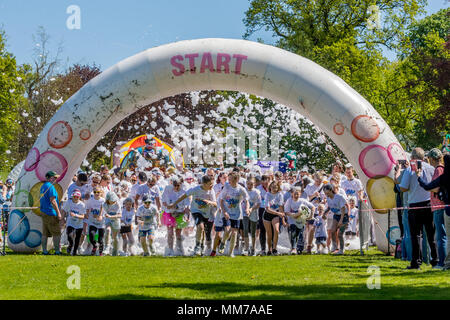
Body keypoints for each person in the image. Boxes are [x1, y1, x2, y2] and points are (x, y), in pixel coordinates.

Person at [399, 147, 438, 269]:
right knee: (431, 235)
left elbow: (403, 187)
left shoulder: (410, 170)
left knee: (416, 236)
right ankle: (435, 260)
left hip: (415, 205)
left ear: (413, 158)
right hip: (428, 204)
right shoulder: (431, 168)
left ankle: (416, 262)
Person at [416, 152, 450, 270]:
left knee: (441, 236)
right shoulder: (440, 169)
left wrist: (420, 178)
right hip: (440, 207)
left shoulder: (439, 170)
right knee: (441, 236)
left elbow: (435, 187)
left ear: (431, 158)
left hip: (439, 207)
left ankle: (442, 262)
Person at [169, 175, 217, 256]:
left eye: (212, 184)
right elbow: (184, 196)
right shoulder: (196, 189)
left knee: (205, 232)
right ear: (204, 184)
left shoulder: (211, 191)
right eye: (210, 184)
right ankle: (197, 246)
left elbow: (215, 203)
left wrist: (209, 202)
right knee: (200, 227)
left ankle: (202, 246)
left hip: (207, 213)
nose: (212, 186)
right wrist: (174, 203)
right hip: (196, 211)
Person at [219, 172, 250, 257]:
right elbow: (221, 200)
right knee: (228, 230)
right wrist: (224, 211)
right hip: (227, 212)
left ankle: (230, 252)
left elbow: (247, 200)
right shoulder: (227, 187)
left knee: (234, 233)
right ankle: (223, 242)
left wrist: (247, 209)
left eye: (230, 179)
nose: (228, 181)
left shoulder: (241, 189)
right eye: (228, 179)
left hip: (237, 213)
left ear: (236, 179)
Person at [161, 176, 190, 256]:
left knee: (178, 233)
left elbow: (187, 204)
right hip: (169, 213)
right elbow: (163, 201)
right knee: (170, 232)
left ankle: (179, 249)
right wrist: (168, 205)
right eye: (175, 185)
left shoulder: (184, 192)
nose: (177, 187)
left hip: (180, 213)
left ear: (181, 184)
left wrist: (187, 215)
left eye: (178, 185)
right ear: (172, 184)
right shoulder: (168, 189)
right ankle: (170, 250)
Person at [284, 186, 315, 254]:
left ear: (300, 194)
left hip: (301, 221)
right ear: (292, 194)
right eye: (295, 194)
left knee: (300, 234)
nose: (296, 195)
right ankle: (294, 248)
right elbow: (286, 212)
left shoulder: (302, 201)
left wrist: (311, 215)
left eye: (298, 194)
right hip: (292, 220)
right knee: (293, 233)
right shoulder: (289, 201)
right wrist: (294, 215)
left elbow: (312, 207)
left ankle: (300, 249)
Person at [39, 171, 63, 255]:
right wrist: (58, 213)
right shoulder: (51, 187)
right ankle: (57, 251)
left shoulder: (43, 186)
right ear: (50, 178)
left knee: (45, 233)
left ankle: (44, 251)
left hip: (44, 212)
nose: (56, 179)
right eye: (54, 177)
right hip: (50, 212)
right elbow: (53, 201)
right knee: (57, 232)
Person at [323, 184, 349, 255]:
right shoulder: (328, 198)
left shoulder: (339, 197)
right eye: (325, 193)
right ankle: (335, 247)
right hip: (336, 215)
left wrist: (341, 220)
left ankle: (341, 249)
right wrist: (324, 213)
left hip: (343, 216)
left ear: (331, 190)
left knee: (340, 234)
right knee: (332, 231)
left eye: (328, 193)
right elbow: (329, 207)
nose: (327, 195)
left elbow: (343, 209)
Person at [263, 181, 285, 255]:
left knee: (276, 230)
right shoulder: (267, 195)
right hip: (267, 214)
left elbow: (281, 207)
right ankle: (269, 249)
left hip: (275, 214)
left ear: (278, 188)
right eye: (272, 187)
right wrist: (278, 213)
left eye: (275, 187)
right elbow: (267, 209)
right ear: (270, 187)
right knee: (269, 233)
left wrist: (283, 220)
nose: (274, 189)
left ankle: (275, 248)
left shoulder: (280, 195)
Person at [62, 189, 85, 255]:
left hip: (79, 224)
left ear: (79, 197)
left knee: (77, 238)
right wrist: (62, 218)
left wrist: (75, 215)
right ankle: (70, 245)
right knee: (70, 236)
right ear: (72, 196)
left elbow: (83, 216)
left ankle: (74, 251)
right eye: (74, 196)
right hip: (70, 223)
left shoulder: (82, 205)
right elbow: (64, 210)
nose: (75, 198)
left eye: (77, 197)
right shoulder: (69, 202)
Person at [243, 176, 261, 256]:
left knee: (253, 231)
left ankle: (253, 248)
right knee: (245, 230)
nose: (249, 186)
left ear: (254, 184)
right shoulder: (244, 191)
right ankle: (246, 248)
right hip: (245, 213)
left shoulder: (256, 192)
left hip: (253, 212)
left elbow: (258, 204)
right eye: (248, 184)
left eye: (251, 184)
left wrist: (251, 209)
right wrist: (247, 210)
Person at [86, 186, 106, 256]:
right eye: (95, 192)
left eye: (98, 192)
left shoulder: (103, 200)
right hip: (92, 221)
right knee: (91, 235)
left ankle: (100, 253)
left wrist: (100, 216)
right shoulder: (90, 200)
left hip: (101, 222)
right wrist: (87, 214)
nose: (96, 193)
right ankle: (95, 246)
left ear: (101, 193)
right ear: (93, 192)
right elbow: (87, 209)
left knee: (100, 239)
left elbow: (103, 209)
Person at [103, 192, 122, 256]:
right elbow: (104, 213)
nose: (113, 201)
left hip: (116, 221)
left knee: (115, 237)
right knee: (108, 230)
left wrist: (111, 216)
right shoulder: (105, 205)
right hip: (108, 220)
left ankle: (115, 250)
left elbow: (120, 215)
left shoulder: (117, 204)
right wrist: (106, 215)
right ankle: (106, 247)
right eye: (112, 200)